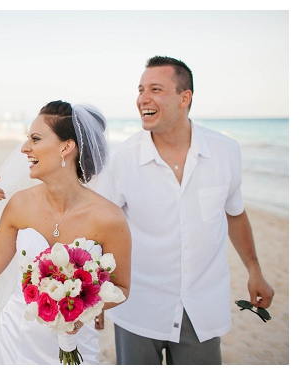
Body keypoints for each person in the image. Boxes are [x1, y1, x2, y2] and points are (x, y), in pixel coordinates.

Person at [92, 56, 275, 365]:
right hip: (137, 306)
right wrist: (96, 291)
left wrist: (254, 270)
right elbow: (100, 228)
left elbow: (235, 213)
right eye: (140, 89)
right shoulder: (121, 159)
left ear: (184, 98)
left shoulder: (225, 152)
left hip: (202, 308)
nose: (143, 99)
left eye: (155, 89)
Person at [0, 100, 131, 365]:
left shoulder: (109, 217)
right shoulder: (19, 204)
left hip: (77, 341)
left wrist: (81, 306)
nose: (24, 148)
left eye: (35, 138)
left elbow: (122, 288)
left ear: (66, 147)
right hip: (17, 338)